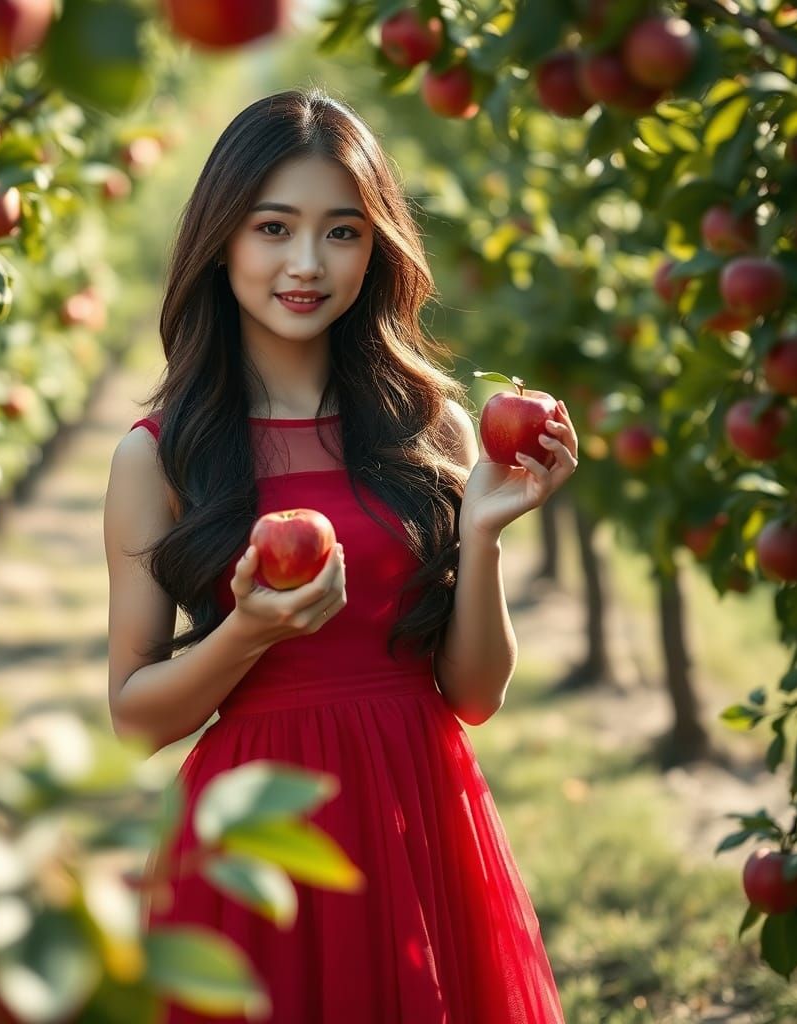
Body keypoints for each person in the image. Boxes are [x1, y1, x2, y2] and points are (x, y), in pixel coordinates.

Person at [104, 88, 578, 1024]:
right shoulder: (160, 454)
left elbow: (474, 696)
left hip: (420, 809)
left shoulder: (429, 427)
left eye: (343, 232)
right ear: (221, 240)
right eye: (273, 227)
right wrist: (246, 633)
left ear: (379, 247)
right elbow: (132, 719)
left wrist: (479, 532)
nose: (307, 263)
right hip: (257, 833)